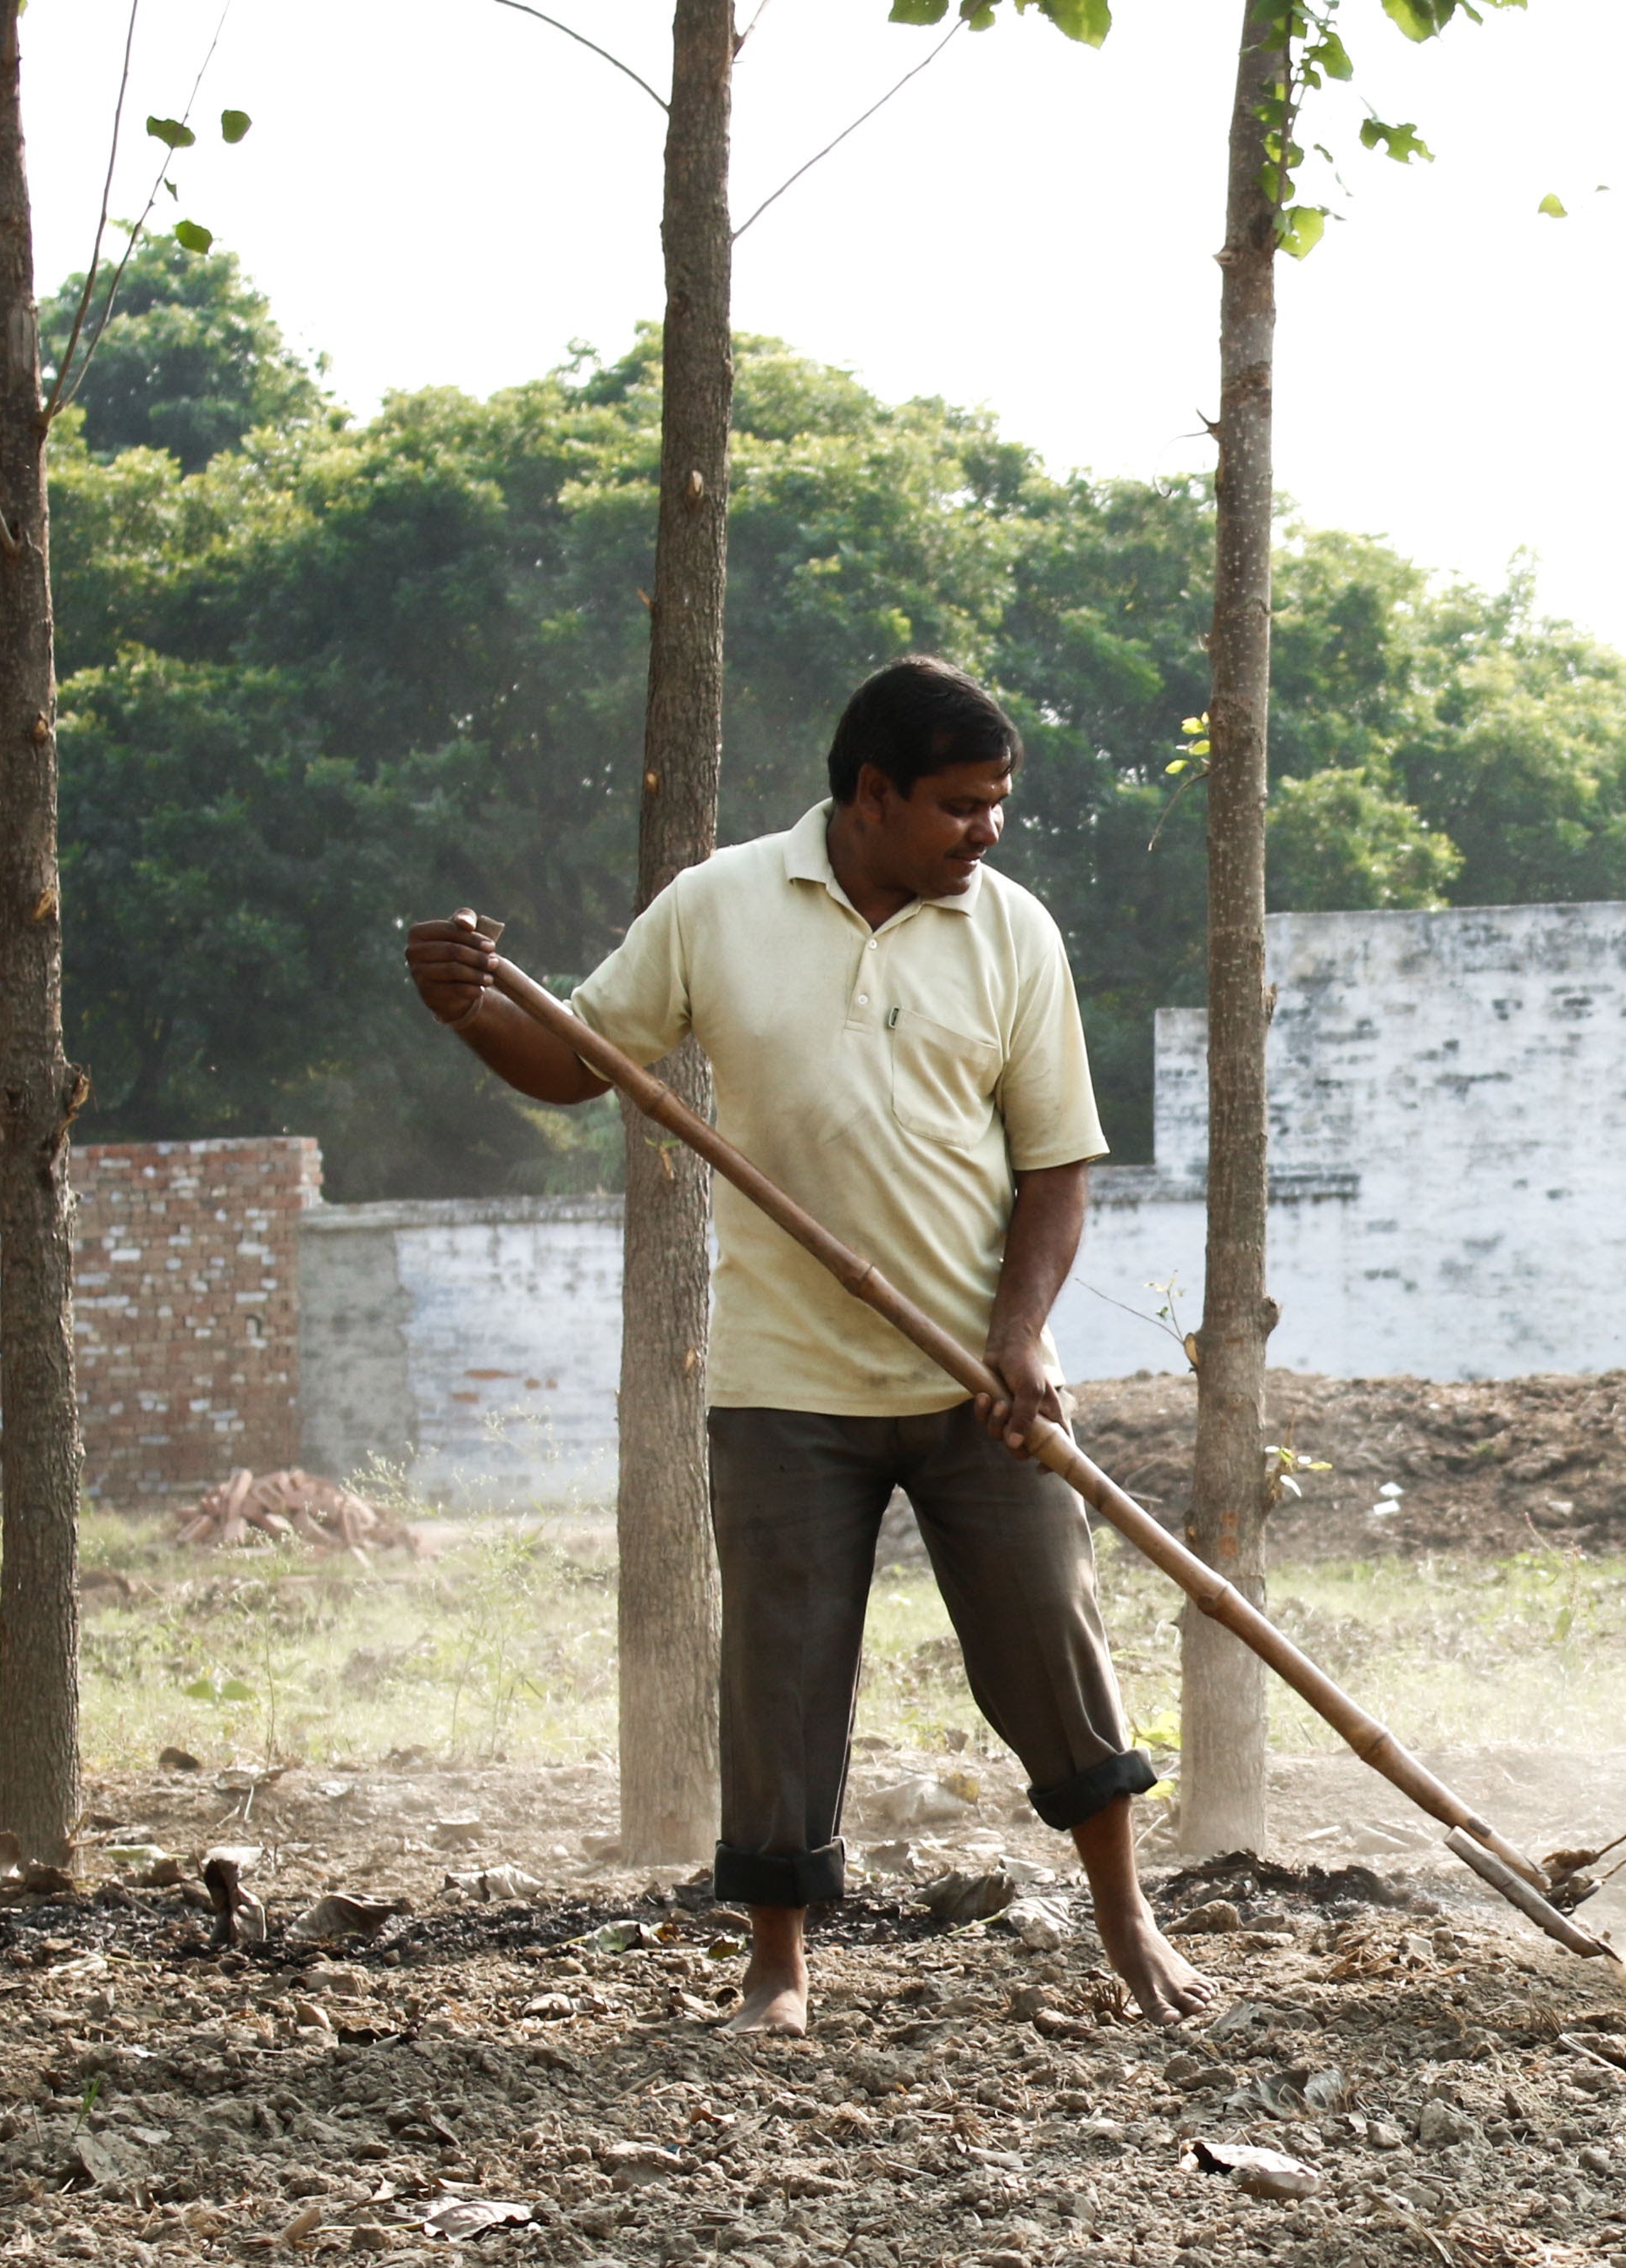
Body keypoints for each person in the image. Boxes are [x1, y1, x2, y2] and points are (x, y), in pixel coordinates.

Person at [404, 656, 1215, 2034]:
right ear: (872, 792)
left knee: (1053, 1654)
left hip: (981, 1384)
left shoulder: (1014, 933)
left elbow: (1056, 1169)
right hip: (783, 1388)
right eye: (959, 805)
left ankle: (1128, 1923)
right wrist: (472, 1004)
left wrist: (1020, 1334)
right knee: (779, 1678)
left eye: (998, 805)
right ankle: (777, 1969)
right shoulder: (717, 907)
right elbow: (578, 1059)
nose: (986, 831)